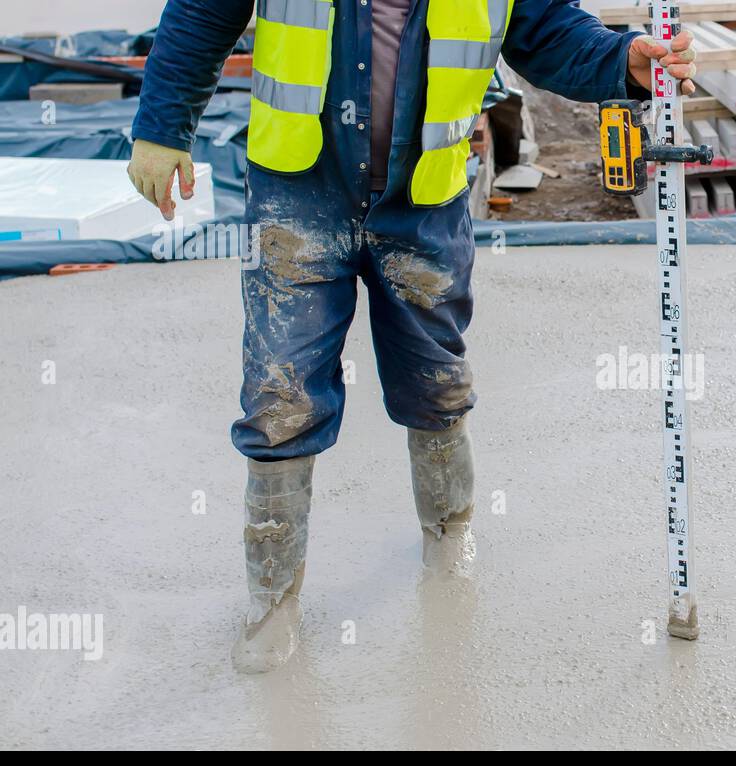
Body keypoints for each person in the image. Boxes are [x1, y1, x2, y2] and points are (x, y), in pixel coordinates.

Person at [127, 0, 697, 673]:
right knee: (280, 393)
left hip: (423, 199)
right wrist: (163, 129)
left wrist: (621, 60)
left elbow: (546, 30)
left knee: (436, 379)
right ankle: (273, 600)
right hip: (298, 189)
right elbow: (201, 12)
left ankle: (447, 533)